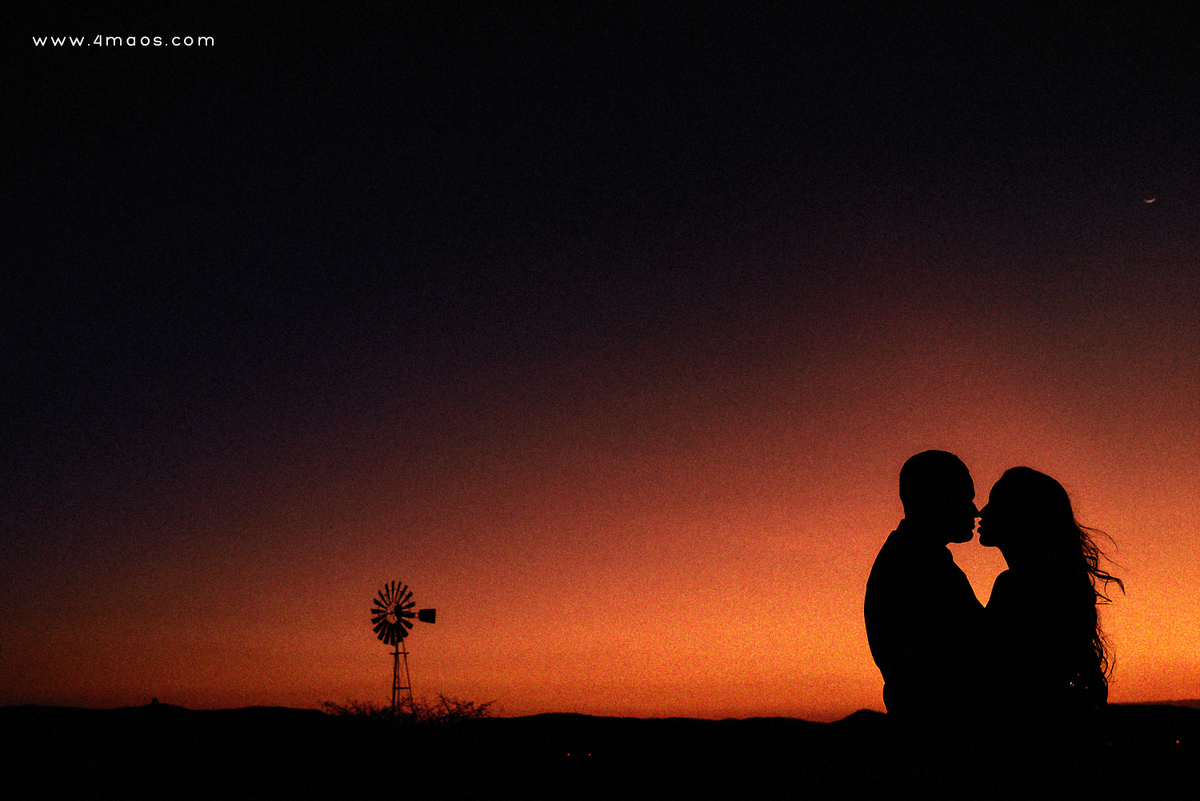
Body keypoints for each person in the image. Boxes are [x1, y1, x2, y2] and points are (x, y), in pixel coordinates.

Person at [977, 467, 1124, 731]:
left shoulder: (1017, 587)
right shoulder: (1052, 583)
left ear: (1022, 515)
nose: (981, 512)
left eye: (995, 504)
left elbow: (995, 677)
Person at [864, 450, 984, 730]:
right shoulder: (916, 567)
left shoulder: (915, 558)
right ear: (933, 500)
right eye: (964, 498)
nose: (974, 510)